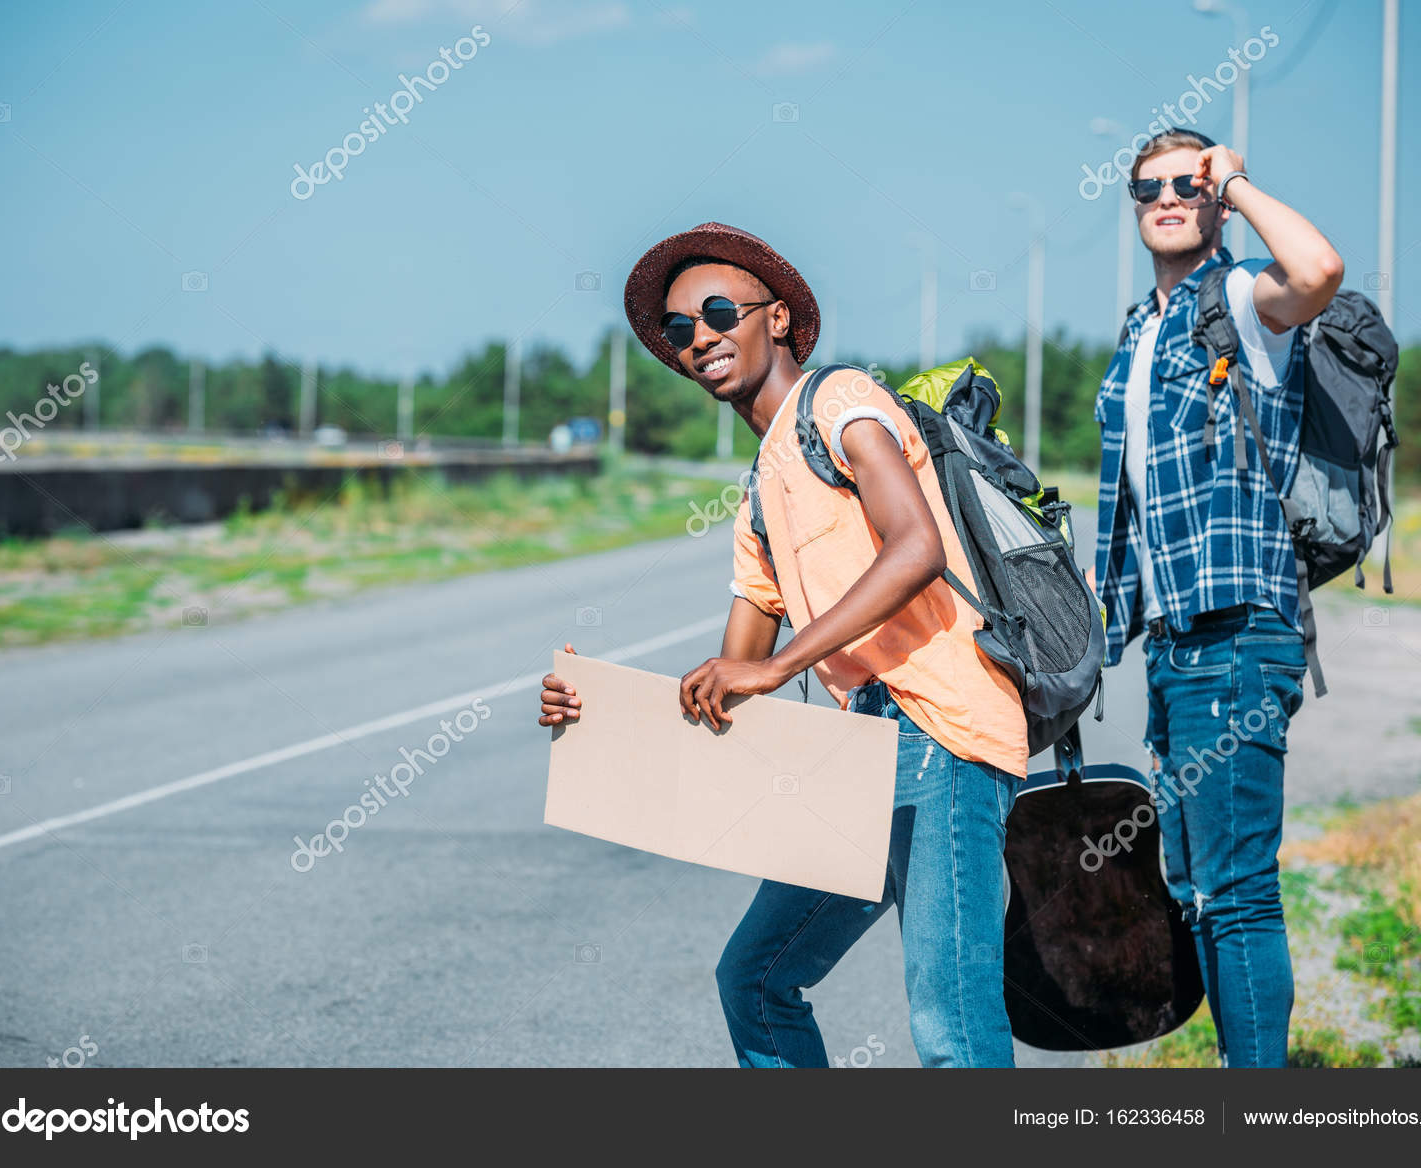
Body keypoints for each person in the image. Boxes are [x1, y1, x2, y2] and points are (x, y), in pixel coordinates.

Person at [538, 222, 1028, 1067]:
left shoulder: (841, 402)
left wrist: (779, 665)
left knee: (953, 1027)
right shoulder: (759, 494)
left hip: (945, 733)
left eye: (720, 312)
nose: (701, 338)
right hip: (865, 755)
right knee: (757, 979)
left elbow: (916, 546)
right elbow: (729, 688)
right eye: (681, 329)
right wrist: (596, 715)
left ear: (776, 320)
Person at [1091, 130, 1344, 1067]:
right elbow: (1132, 509)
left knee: (1236, 893)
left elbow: (1318, 268)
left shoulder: (1238, 300)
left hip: (1239, 631)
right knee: (1197, 887)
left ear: (1215, 199)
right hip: (1175, 642)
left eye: (1188, 183)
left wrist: (1236, 180)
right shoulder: (1138, 331)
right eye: (1149, 184)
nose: (1169, 195)